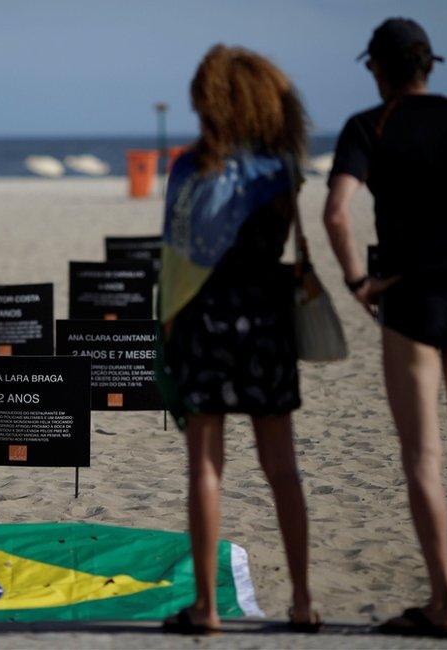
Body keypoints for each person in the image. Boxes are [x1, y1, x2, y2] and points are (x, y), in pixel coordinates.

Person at [323, 18, 447, 638]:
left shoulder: (368, 125)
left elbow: (335, 213)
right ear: (428, 64)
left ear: (377, 68)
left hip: (410, 304)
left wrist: (359, 283)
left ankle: (444, 604)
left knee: (423, 457)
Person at [156, 45, 320, 635]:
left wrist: (168, 330)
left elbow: (174, 258)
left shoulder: (190, 169)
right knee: (283, 466)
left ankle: (206, 607)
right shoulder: (280, 169)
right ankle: (302, 601)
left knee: (205, 466)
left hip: (205, 317)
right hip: (267, 316)